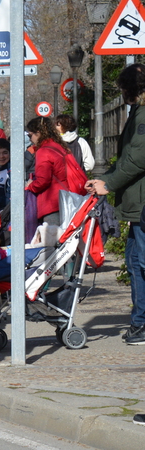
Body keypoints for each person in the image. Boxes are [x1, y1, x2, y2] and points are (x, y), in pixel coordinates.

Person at [88, 65, 145, 343]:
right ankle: (139, 323)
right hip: (138, 204)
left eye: (123, 89)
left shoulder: (143, 115)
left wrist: (108, 183)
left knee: (141, 263)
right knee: (135, 262)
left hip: (142, 204)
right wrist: (106, 179)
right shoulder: (138, 113)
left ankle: (142, 324)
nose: (122, 95)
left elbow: (137, 158)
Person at [26, 115, 76, 227]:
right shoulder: (58, 146)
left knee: (52, 239)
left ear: (38, 133)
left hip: (51, 202)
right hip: (65, 197)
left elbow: (43, 181)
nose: (30, 139)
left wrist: (30, 186)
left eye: (30, 135)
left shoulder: (44, 151)